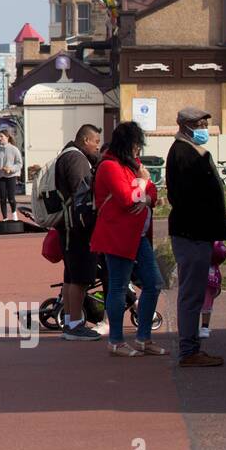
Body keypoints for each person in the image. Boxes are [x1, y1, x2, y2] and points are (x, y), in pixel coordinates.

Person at [89, 122, 165, 358]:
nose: (138, 151)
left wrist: (143, 194)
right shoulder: (110, 167)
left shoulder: (132, 166)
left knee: (153, 283)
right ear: (128, 145)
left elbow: (153, 194)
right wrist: (143, 186)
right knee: (118, 287)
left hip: (137, 235)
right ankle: (116, 340)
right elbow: (126, 198)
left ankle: (143, 338)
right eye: (136, 146)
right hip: (118, 235)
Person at [165, 107, 226, 367]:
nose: (203, 126)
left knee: (194, 291)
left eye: (204, 122)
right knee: (192, 293)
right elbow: (185, 196)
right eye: (198, 123)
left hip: (198, 231)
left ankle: (191, 348)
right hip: (192, 232)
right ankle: (189, 350)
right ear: (183, 125)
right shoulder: (183, 153)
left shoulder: (192, 150)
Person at [55, 123, 103, 341]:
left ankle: (69, 321)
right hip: (77, 227)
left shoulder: (67, 154)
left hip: (68, 226)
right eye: (96, 142)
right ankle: (74, 324)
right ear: (85, 140)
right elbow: (82, 195)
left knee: (71, 275)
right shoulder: (76, 159)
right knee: (80, 278)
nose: (97, 146)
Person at [0, 130, 23, 221]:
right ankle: (5, 218)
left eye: (1, 136)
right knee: (2, 198)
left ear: (7, 137)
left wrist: (10, 169)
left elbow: (19, 163)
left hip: (11, 176)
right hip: (0, 177)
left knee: (11, 198)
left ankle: (14, 214)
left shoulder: (14, 149)